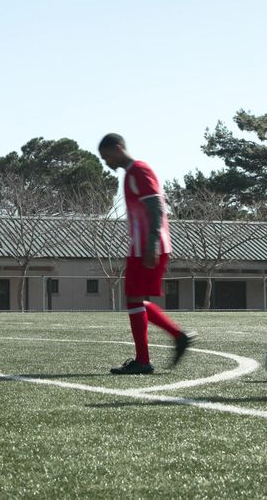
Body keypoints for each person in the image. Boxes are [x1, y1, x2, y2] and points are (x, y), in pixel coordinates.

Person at [98, 133, 196, 374]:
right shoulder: (131, 174)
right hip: (142, 246)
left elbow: (156, 205)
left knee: (133, 298)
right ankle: (176, 337)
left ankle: (144, 360)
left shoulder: (140, 170)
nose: (106, 162)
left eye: (107, 156)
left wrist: (152, 241)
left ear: (118, 148)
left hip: (149, 245)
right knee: (136, 299)